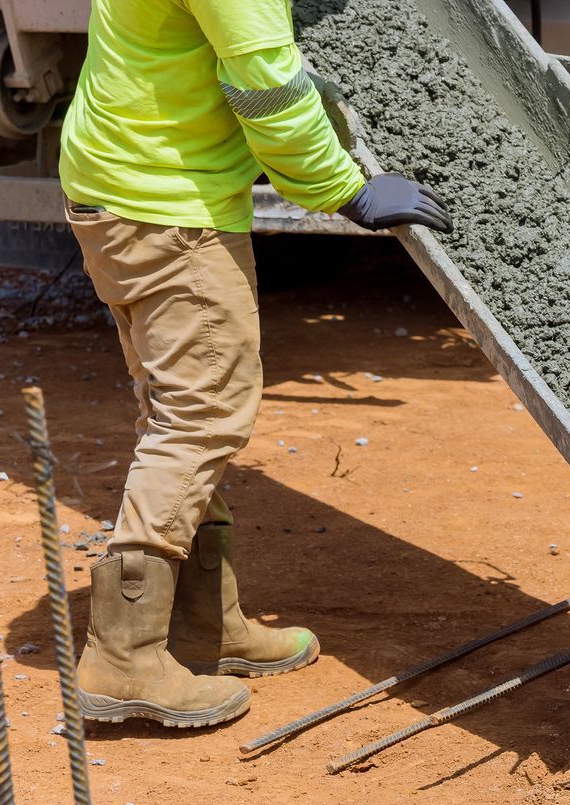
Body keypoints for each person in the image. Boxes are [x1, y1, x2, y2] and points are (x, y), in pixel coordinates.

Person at [59, 0, 449, 728]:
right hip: (168, 206)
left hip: (118, 183)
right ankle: (123, 656)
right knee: (201, 415)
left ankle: (205, 622)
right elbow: (268, 85)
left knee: (178, 407)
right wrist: (344, 189)